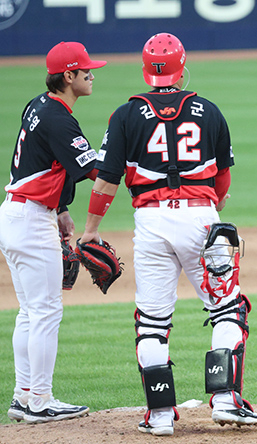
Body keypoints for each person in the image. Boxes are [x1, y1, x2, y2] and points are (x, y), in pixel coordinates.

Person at [78, 32, 257, 436]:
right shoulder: (208, 110)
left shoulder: (125, 115)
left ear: (146, 69)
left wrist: (91, 229)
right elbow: (222, 176)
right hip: (200, 220)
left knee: (152, 322)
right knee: (228, 309)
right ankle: (227, 400)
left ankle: (160, 415)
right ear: (182, 67)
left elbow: (106, 182)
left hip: (150, 223)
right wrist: (214, 203)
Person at [0, 41, 106, 423]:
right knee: (45, 312)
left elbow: (44, 162)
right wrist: (125, 155)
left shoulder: (38, 105)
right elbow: (90, 168)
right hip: (29, 221)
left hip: (17, 214)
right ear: (68, 76)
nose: (92, 75)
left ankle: (23, 396)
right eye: (86, 71)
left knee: (30, 313)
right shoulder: (60, 118)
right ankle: (40, 401)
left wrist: (61, 209)